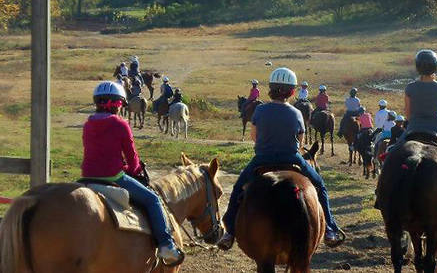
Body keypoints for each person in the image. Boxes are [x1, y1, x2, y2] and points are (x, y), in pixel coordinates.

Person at [216, 68, 346, 250]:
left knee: (238, 188)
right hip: (292, 158)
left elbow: (254, 136)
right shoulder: (296, 113)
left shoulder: (260, 110)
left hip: (262, 159)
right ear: (292, 91)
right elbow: (300, 142)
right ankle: (330, 229)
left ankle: (229, 232)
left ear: (270, 89)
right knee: (320, 186)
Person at [81, 81, 184, 265]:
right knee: (152, 200)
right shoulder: (120, 124)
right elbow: (133, 159)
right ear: (118, 104)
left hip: (86, 177)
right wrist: (133, 170)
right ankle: (166, 246)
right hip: (113, 177)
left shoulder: (88, 124)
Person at [380, 49, 437, 218]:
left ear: (417, 67)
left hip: (413, 129)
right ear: (435, 67)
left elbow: (408, 115)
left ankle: (381, 196)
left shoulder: (410, 87)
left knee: (389, 158)